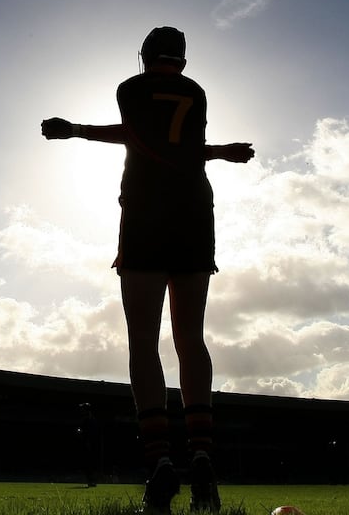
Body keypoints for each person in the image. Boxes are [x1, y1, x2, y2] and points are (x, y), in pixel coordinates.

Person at [41, 26, 254, 514]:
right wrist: (223, 152)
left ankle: (158, 461)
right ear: (182, 58)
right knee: (190, 338)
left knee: (143, 340)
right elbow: (184, 148)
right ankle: (202, 454)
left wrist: (75, 130)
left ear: (143, 56)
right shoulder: (196, 92)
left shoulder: (130, 88)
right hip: (195, 213)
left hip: (144, 213)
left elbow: (134, 137)